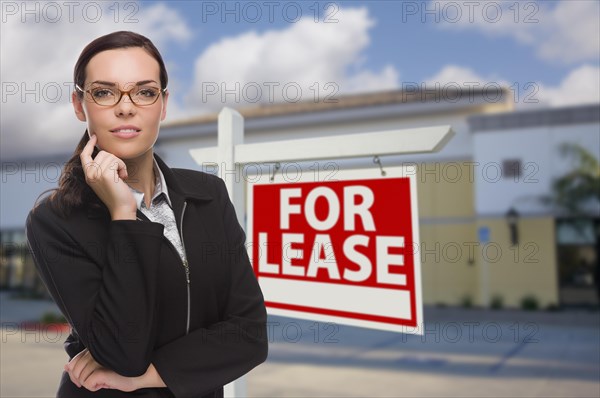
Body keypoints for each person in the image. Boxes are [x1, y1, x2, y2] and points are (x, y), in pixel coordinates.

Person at [25, 31, 268, 397]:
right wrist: (124, 213)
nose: (126, 107)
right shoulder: (55, 221)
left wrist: (147, 375)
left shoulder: (209, 196)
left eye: (144, 91)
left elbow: (249, 335)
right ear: (79, 105)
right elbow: (123, 351)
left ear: (163, 104)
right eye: (104, 92)